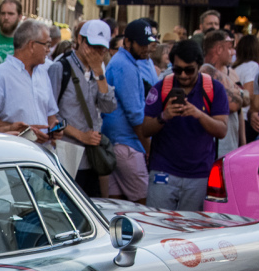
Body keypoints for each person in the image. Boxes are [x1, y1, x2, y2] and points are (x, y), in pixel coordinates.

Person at [139, 39, 229, 211]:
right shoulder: (161, 88)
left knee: (192, 231)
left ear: (199, 66)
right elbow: (145, 129)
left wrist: (199, 114)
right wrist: (164, 116)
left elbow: (222, 130)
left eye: (189, 70)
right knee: (159, 225)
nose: (183, 75)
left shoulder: (214, 89)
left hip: (199, 173)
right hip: (163, 170)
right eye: (177, 70)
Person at [48, 19, 115, 196]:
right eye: (92, 45)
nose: (96, 52)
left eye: (101, 48)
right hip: (67, 153)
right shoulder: (60, 68)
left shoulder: (98, 70)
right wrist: (80, 136)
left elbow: (108, 107)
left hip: (91, 156)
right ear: (80, 40)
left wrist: (99, 74)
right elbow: (50, 116)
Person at [101, 19, 157, 203]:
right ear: (127, 42)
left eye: (148, 43)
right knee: (144, 204)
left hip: (117, 143)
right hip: (127, 145)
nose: (146, 48)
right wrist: (150, 150)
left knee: (116, 206)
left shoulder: (122, 62)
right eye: (142, 44)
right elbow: (135, 115)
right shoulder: (125, 66)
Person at [0, 19, 55, 137]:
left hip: (42, 151)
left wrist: (54, 129)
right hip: (15, 151)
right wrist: (24, 132)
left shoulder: (42, 73)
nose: (48, 50)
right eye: (47, 44)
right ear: (32, 45)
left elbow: (51, 113)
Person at [201, 30, 247, 156]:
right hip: (217, 148)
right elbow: (234, 104)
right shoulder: (207, 71)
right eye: (230, 48)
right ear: (219, 49)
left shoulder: (230, 73)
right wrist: (239, 93)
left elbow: (245, 103)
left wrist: (243, 143)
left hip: (231, 146)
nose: (233, 52)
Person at [232, 33, 259, 146]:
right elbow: (249, 94)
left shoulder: (233, 67)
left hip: (234, 118)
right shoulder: (252, 66)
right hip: (245, 119)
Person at [0, 0, 22, 64]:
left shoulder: (25, 40)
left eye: (10, 14)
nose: (6, 17)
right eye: (3, 13)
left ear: (19, 17)